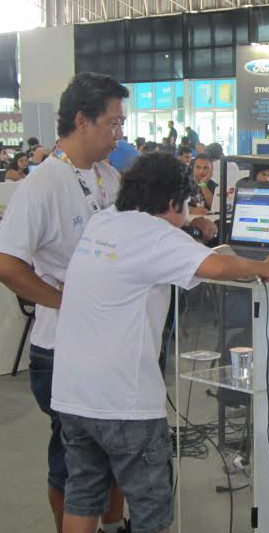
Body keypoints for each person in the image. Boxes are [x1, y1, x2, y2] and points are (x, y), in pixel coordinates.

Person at [51, 151, 269, 533]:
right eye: (184, 208)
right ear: (170, 203)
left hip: (72, 393)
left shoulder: (104, 221)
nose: (185, 217)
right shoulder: (155, 234)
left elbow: (157, 257)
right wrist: (265, 266)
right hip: (123, 400)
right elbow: (213, 266)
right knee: (152, 509)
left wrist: (192, 234)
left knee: (83, 492)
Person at [0, 72, 131, 533]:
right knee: (73, 460)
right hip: (60, 351)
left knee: (118, 448)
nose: (119, 134)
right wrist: (63, 301)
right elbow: (8, 264)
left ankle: (113, 526)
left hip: (111, 346)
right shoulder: (42, 186)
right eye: (113, 124)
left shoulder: (110, 178)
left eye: (121, 124)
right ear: (82, 120)